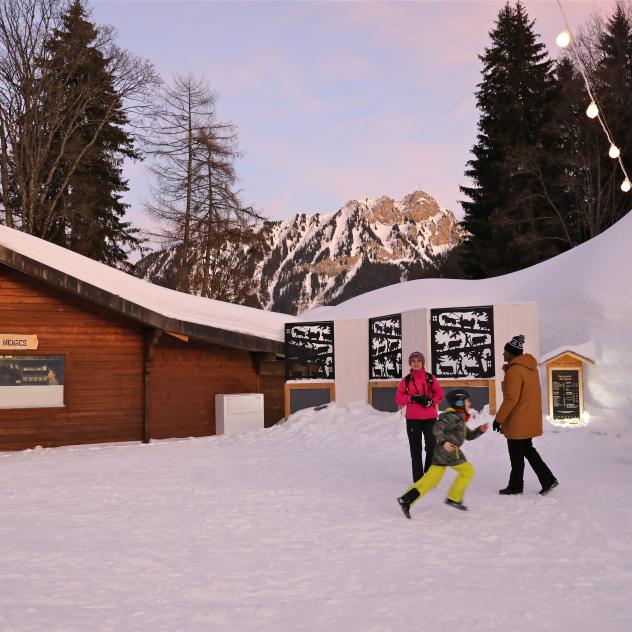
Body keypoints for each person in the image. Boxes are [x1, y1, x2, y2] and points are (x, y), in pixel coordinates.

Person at [397, 389, 488, 518]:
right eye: (467, 401)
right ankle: (454, 498)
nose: (470, 403)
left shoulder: (459, 417)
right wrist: (445, 441)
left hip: (441, 453)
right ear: (459, 402)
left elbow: (468, 435)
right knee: (468, 471)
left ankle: (406, 499)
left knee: (430, 480)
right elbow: (436, 428)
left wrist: (480, 430)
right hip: (449, 451)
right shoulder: (450, 416)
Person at [492, 335, 558, 496]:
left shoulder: (515, 370)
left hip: (517, 419)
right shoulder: (530, 368)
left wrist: (498, 419)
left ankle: (516, 486)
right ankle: (548, 479)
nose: (503, 354)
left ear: (511, 353)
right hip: (528, 417)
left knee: (516, 454)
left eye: (505, 351)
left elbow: (511, 399)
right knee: (527, 450)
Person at [395, 351, 444, 482]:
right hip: (413, 419)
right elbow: (399, 399)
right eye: (413, 361)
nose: (416, 363)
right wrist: (413, 398)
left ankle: (429, 476)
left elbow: (440, 395)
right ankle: (418, 479)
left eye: (418, 360)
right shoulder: (406, 380)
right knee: (415, 450)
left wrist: (431, 401)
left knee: (432, 447)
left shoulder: (430, 378)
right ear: (410, 363)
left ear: (422, 363)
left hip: (430, 418)